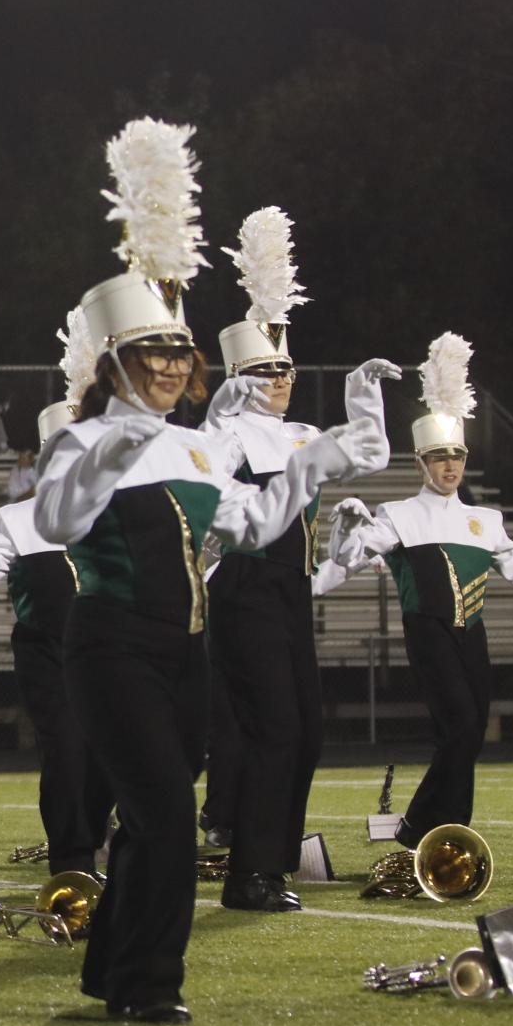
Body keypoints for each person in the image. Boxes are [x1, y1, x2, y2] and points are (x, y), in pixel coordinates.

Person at [33, 118, 380, 1023]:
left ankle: (109, 962)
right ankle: (150, 985)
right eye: (150, 355)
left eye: (175, 355)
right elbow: (55, 521)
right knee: (160, 817)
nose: (165, 368)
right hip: (108, 647)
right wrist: (107, 458)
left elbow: (254, 526)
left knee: (155, 815)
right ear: (113, 363)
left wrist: (315, 461)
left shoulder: (194, 451)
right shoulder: (79, 437)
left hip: (183, 652)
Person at [200, 207, 396, 912]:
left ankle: (271, 864)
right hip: (244, 587)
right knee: (271, 728)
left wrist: (361, 394)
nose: (279, 378)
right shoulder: (221, 434)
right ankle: (247, 874)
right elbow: (209, 493)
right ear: (235, 375)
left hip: (287, 591)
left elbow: (368, 454)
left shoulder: (299, 434)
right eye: (263, 369)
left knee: (304, 731)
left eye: (284, 366)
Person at [315, 333, 513, 846]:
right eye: (439, 458)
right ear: (421, 463)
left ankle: (448, 831)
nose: (450, 467)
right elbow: (347, 560)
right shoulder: (399, 515)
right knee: (464, 726)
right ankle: (417, 826)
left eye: (458, 457)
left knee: (463, 735)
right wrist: (343, 528)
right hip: (426, 630)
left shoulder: (486, 520)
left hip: (472, 634)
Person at [0, 313, 112, 877]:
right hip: (49, 655)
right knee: (66, 753)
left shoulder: (119, 509)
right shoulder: (18, 518)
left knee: (109, 761)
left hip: (114, 655)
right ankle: (72, 860)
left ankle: (96, 838)